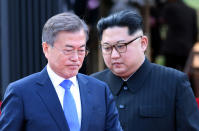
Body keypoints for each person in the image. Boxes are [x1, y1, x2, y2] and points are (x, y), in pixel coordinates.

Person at [0, 12, 122, 131]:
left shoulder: (100, 91)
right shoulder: (21, 92)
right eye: (68, 50)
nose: (76, 58)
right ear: (46, 49)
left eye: (81, 50)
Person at [91, 10, 199, 131]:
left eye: (121, 46)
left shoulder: (174, 83)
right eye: (107, 48)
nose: (114, 55)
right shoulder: (92, 85)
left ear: (143, 43)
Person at [160, 0, 198, 71]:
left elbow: (162, 22)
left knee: (169, 75)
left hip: (171, 48)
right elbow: (195, 32)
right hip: (186, 48)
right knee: (185, 74)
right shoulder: (192, 10)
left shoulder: (169, 7)